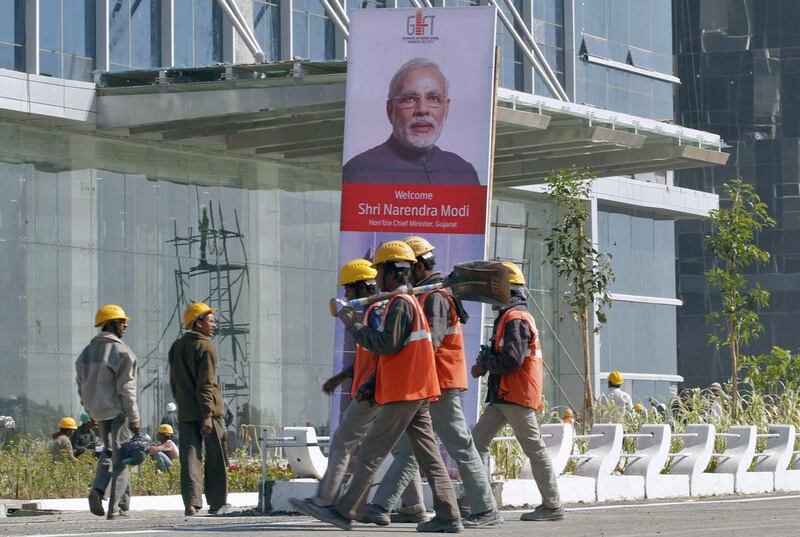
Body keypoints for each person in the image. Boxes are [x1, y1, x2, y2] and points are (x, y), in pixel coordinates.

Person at [303, 240, 462, 533]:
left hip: (405, 391)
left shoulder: (401, 304)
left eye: (379, 271)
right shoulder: (408, 302)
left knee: (371, 452)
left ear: (391, 271)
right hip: (415, 389)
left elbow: (385, 346)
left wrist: (351, 323)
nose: (376, 278)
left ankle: (344, 510)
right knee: (429, 455)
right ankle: (449, 516)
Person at [366, 236, 500, 528]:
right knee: (416, 446)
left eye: (408, 267)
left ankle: (485, 507)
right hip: (432, 382)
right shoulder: (430, 294)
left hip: (441, 382)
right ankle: (384, 505)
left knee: (459, 445)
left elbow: (431, 343)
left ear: (417, 267)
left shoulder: (435, 296)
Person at [289, 259, 385, 515]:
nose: (346, 295)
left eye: (349, 290)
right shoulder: (370, 312)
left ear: (363, 287)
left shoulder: (375, 313)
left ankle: (324, 499)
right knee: (399, 449)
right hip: (377, 390)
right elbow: (369, 356)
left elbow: (383, 351)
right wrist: (342, 377)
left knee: (342, 442)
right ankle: (413, 506)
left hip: (373, 392)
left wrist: (349, 322)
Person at [471, 262, 565, 522]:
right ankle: (482, 502)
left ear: (507, 290)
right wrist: (487, 362)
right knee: (476, 443)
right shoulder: (509, 317)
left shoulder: (516, 319)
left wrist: (486, 364)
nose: (491, 295)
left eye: (495, 289)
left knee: (534, 448)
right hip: (505, 396)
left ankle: (552, 505)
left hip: (515, 395)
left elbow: (511, 360)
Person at [343, 58, 480, 185]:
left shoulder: (464, 173)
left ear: (446, 109)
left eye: (433, 98)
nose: (422, 109)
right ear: (390, 110)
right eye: (409, 99)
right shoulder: (359, 172)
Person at [76, 304, 139, 520]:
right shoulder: (122, 352)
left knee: (111, 453)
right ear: (110, 323)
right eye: (122, 322)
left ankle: (120, 505)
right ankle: (111, 505)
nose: (125, 325)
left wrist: (90, 408)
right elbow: (127, 389)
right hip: (118, 411)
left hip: (98, 411)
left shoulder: (85, 353)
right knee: (121, 459)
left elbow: (80, 385)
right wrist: (134, 417)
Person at [169, 302, 230, 516]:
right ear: (198, 323)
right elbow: (206, 383)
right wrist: (206, 414)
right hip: (208, 413)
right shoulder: (206, 346)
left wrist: (184, 404)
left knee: (189, 458)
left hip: (186, 412)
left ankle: (191, 503)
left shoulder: (176, 347)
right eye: (210, 321)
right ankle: (216, 503)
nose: (214, 325)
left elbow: (174, 383)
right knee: (215, 457)